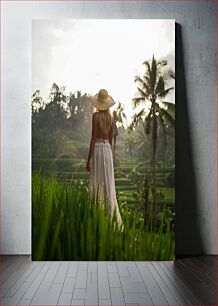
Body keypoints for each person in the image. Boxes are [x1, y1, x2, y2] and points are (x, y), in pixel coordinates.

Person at [86, 88, 124, 231]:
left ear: (98, 103)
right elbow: (109, 140)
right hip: (107, 150)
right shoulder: (112, 118)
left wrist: (88, 160)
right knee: (108, 184)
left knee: (96, 183)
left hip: (97, 150)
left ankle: (96, 218)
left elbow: (93, 138)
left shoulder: (95, 117)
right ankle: (112, 220)